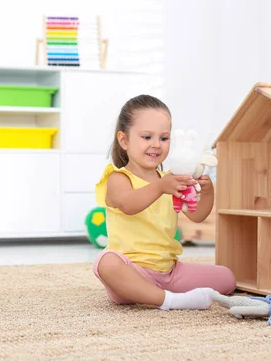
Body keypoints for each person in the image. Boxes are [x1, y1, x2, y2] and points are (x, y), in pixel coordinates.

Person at [93, 94, 236, 310]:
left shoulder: (170, 179)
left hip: (169, 272)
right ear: (124, 140)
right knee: (106, 263)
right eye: (147, 137)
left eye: (164, 138)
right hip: (132, 271)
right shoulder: (117, 177)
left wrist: (207, 192)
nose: (156, 145)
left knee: (228, 278)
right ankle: (169, 301)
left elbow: (197, 215)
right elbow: (129, 205)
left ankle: (156, 293)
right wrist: (160, 187)